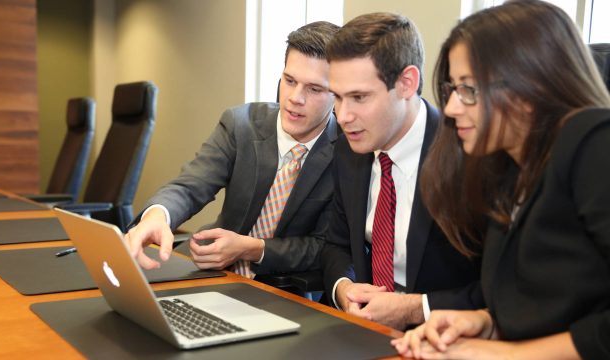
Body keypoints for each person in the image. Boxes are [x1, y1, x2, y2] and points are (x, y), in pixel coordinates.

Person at [393, 1, 610, 359]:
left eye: (470, 90)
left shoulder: (593, 140)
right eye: (453, 89)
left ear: (531, 85)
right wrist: (485, 322)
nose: (450, 108)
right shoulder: (510, 172)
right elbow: (555, 306)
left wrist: (503, 354)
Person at [126, 21, 340, 280]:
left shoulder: (347, 151)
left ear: (337, 94)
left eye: (314, 89)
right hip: (216, 270)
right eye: (289, 80)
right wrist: (157, 215)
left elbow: (327, 248)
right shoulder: (241, 124)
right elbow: (190, 186)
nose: (295, 97)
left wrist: (252, 249)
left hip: (288, 288)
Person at [320, 12, 482, 331]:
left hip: (448, 337)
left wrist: (415, 308)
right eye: (337, 97)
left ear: (406, 83)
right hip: (365, 333)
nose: (342, 115)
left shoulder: (468, 155)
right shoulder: (347, 150)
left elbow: (497, 287)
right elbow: (336, 244)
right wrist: (344, 288)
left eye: (359, 97)